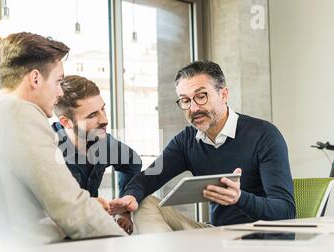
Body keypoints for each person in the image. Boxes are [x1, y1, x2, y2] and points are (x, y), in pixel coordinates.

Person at [0, 32, 126, 245]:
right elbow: (70, 209)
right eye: (58, 81)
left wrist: (88, 205)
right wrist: (126, 242)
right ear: (35, 78)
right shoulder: (18, 112)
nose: (60, 92)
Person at [109, 60, 295, 232]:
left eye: (201, 96)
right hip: (216, 234)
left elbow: (285, 212)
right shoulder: (186, 141)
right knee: (143, 202)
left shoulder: (264, 135)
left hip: (259, 234)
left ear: (223, 94)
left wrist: (240, 198)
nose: (194, 108)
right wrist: (129, 201)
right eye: (186, 100)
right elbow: (147, 178)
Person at [53, 75, 142, 234]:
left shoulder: (103, 142)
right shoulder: (46, 149)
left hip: (94, 232)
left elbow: (132, 162)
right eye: (92, 115)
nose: (105, 120)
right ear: (66, 122)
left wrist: (123, 209)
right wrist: (87, 205)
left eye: (103, 109)